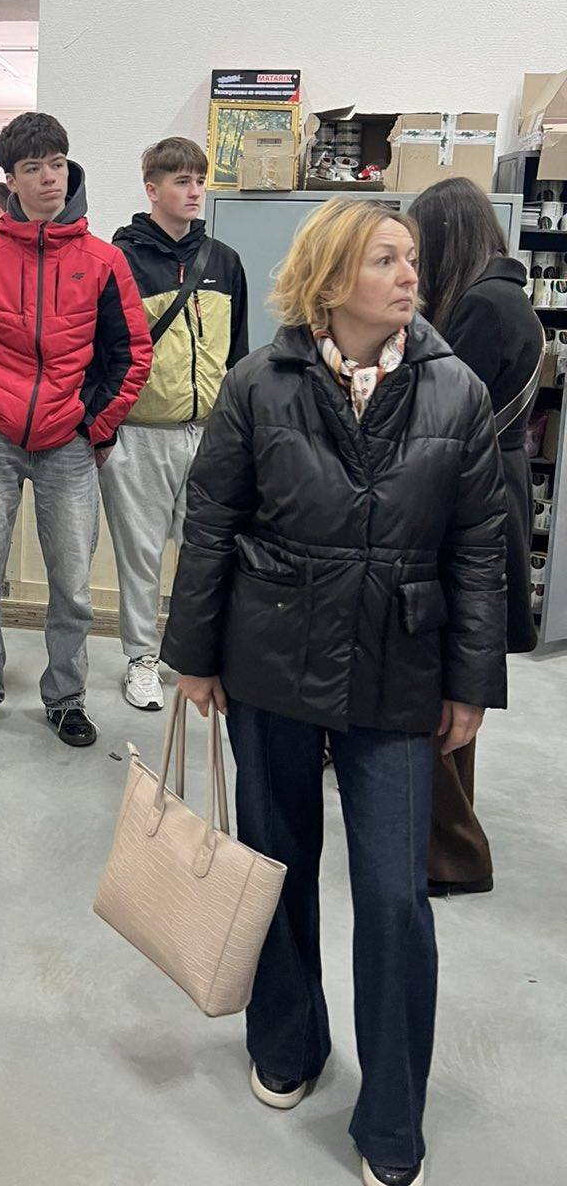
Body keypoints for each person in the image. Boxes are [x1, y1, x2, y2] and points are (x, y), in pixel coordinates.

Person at [162, 196, 506, 1186]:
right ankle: (287, 1041)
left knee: (396, 898)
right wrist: (194, 655)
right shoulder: (257, 384)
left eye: (411, 258)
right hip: (272, 655)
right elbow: (211, 521)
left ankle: (393, 1116)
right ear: (328, 277)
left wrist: (471, 683)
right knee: (274, 865)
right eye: (384, 259)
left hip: (400, 669)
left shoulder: (455, 389)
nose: (409, 275)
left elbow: (482, 547)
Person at [0, 111, 152, 747]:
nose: (49, 178)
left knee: (73, 588)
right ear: (11, 180)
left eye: (56, 164)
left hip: (68, 446)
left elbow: (131, 353)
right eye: (33, 168)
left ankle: (66, 697)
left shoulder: (104, 260)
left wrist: (94, 425)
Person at [409, 176, 543, 897]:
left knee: (443, 675)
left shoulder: (484, 307)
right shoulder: (505, 296)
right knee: (453, 677)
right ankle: (446, 842)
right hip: (493, 485)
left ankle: (452, 851)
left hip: (472, 494)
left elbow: (443, 414)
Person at [101, 137, 248, 710]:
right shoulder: (120, 261)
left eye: (199, 180)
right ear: (152, 189)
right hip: (140, 433)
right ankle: (141, 657)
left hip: (210, 433)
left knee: (207, 550)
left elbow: (238, 354)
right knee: (139, 554)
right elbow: (103, 350)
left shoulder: (225, 261)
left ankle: (195, 655)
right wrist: (104, 427)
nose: (194, 192)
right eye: (181, 181)